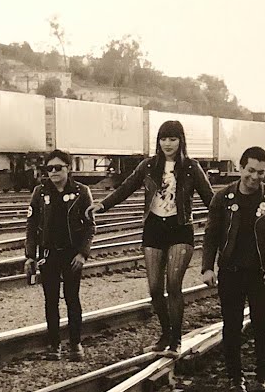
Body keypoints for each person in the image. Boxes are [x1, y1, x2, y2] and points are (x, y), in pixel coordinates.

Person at [91, 120, 213, 357]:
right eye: (163, 139)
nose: (167, 144)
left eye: (173, 139)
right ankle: (165, 334)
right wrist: (103, 205)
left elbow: (210, 199)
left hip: (180, 229)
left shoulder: (191, 167)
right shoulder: (148, 166)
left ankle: (176, 341)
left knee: (173, 285)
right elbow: (126, 188)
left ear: (181, 141)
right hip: (154, 227)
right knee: (155, 288)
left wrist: (228, 218)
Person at [200, 146, 265, 392]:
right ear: (240, 168)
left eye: (261, 172)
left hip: (261, 273)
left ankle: (262, 379)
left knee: (262, 324)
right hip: (231, 271)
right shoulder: (223, 198)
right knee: (232, 325)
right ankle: (235, 378)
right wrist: (207, 267)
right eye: (250, 170)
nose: (254, 177)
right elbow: (211, 235)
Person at [25, 149, 96, 361]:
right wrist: (30, 256)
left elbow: (90, 227)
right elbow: (31, 226)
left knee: (72, 298)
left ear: (68, 168)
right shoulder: (40, 193)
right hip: (49, 254)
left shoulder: (82, 192)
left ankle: (75, 344)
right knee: (51, 300)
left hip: (72, 255)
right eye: (49, 169)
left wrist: (83, 254)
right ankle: (54, 345)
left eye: (58, 168)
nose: (53, 172)